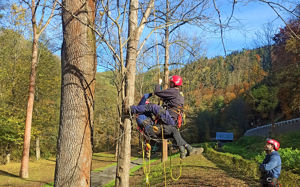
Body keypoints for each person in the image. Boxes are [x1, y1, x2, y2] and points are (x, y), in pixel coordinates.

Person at [130, 75, 203, 158]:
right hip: (172, 120)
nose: (169, 84)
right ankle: (185, 149)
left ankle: (131, 109)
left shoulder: (173, 91)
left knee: (153, 107)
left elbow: (157, 93)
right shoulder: (178, 94)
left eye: (171, 83)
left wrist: (158, 84)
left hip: (169, 118)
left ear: (173, 83)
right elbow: (164, 98)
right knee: (173, 131)